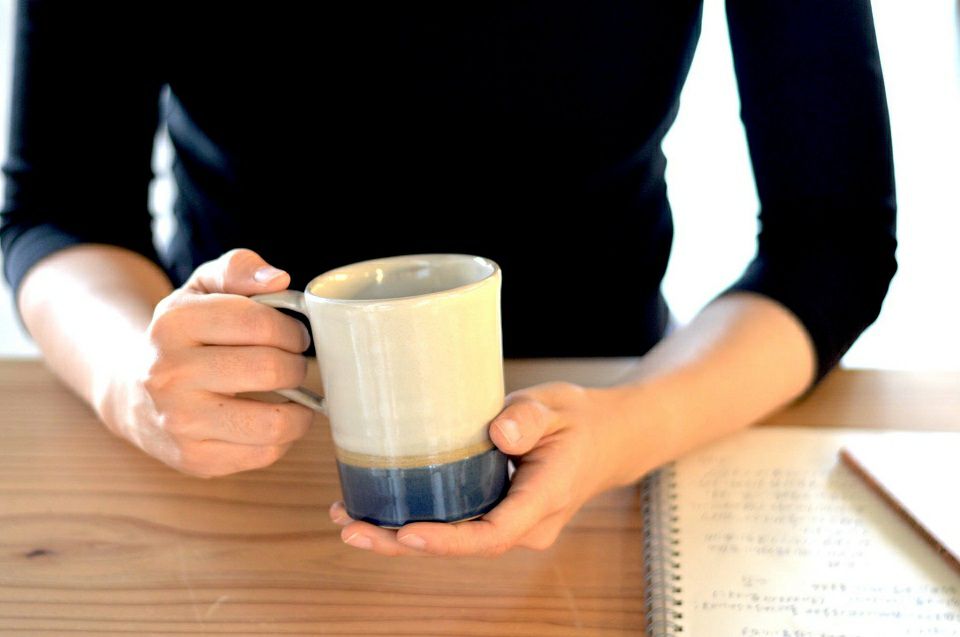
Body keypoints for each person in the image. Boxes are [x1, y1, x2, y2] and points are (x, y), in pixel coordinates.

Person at [1, 1, 896, 557]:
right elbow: (58, 208)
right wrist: (131, 377)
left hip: (612, 435)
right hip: (229, 463)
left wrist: (630, 428)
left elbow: (833, 243)